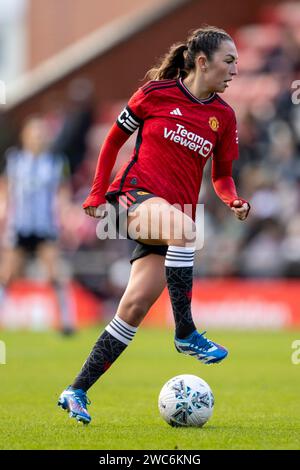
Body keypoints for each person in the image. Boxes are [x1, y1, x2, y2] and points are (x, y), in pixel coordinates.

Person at [58, 26, 250, 424]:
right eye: (228, 61)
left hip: (172, 216)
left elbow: (221, 176)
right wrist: (95, 194)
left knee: (132, 308)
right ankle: (185, 333)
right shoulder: (154, 94)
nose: (235, 69)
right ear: (202, 62)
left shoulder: (223, 117)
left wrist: (232, 198)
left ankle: (76, 390)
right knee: (184, 230)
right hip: (134, 197)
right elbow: (112, 142)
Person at [0, 116, 75, 334]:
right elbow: (6, 189)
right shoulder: (14, 160)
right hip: (20, 225)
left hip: (45, 227)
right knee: (8, 274)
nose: (38, 138)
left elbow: (63, 192)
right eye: (34, 134)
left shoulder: (56, 162)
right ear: (25, 137)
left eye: (42, 134)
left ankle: (67, 321)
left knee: (55, 273)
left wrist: (65, 214)